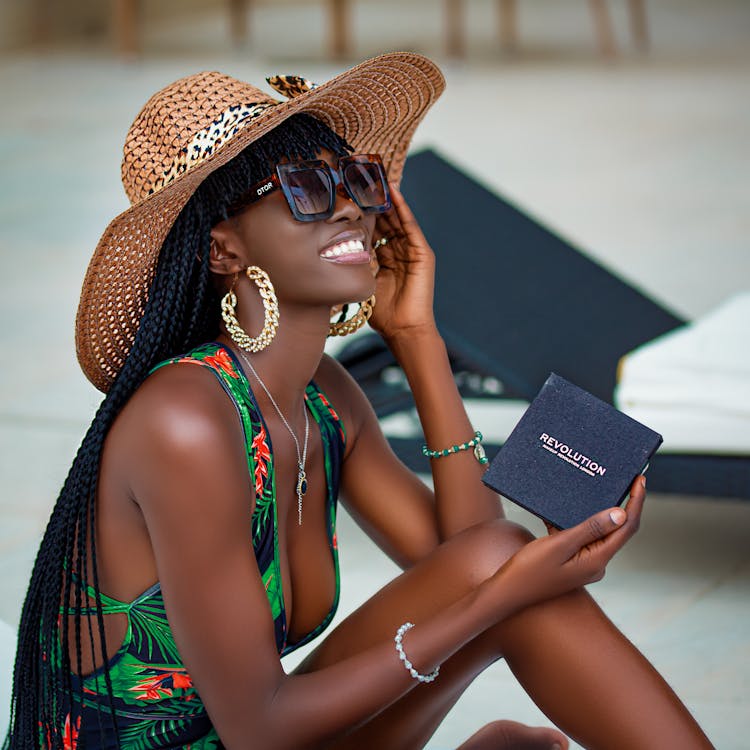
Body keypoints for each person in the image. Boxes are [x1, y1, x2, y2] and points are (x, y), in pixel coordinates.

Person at [4, 53, 713, 750]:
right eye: (308, 189)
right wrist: (497, 599)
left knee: (498, 561)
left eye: (360, 180)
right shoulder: (184, 421)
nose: (349, 205)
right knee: (498, 581)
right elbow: (260, 729)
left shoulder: (323, 398)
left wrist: (418, 338)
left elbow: (465, 553)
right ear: (222, 247)